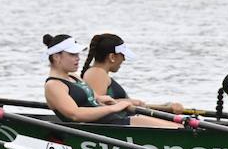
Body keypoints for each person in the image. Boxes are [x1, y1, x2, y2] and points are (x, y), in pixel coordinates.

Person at [40, 34, 176, 128]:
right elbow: (75, 114)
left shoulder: (73, 77)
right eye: (72, 54)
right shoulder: (54, 85)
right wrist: (113, 107)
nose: (77, 58)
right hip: (105, 128)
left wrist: (107, 100)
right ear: (57, 57)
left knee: (178, 126)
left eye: (77, 54)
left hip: (111, 120)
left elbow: (92, 99)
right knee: (176, 128)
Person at [81, 34, 184, 115]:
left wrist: (166, 107)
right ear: (112, 57)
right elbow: (96, 104)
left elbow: (111, 103)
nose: (124, 59)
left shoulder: (98, 73)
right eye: (122, 55)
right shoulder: (97, 73)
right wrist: (129, 102)